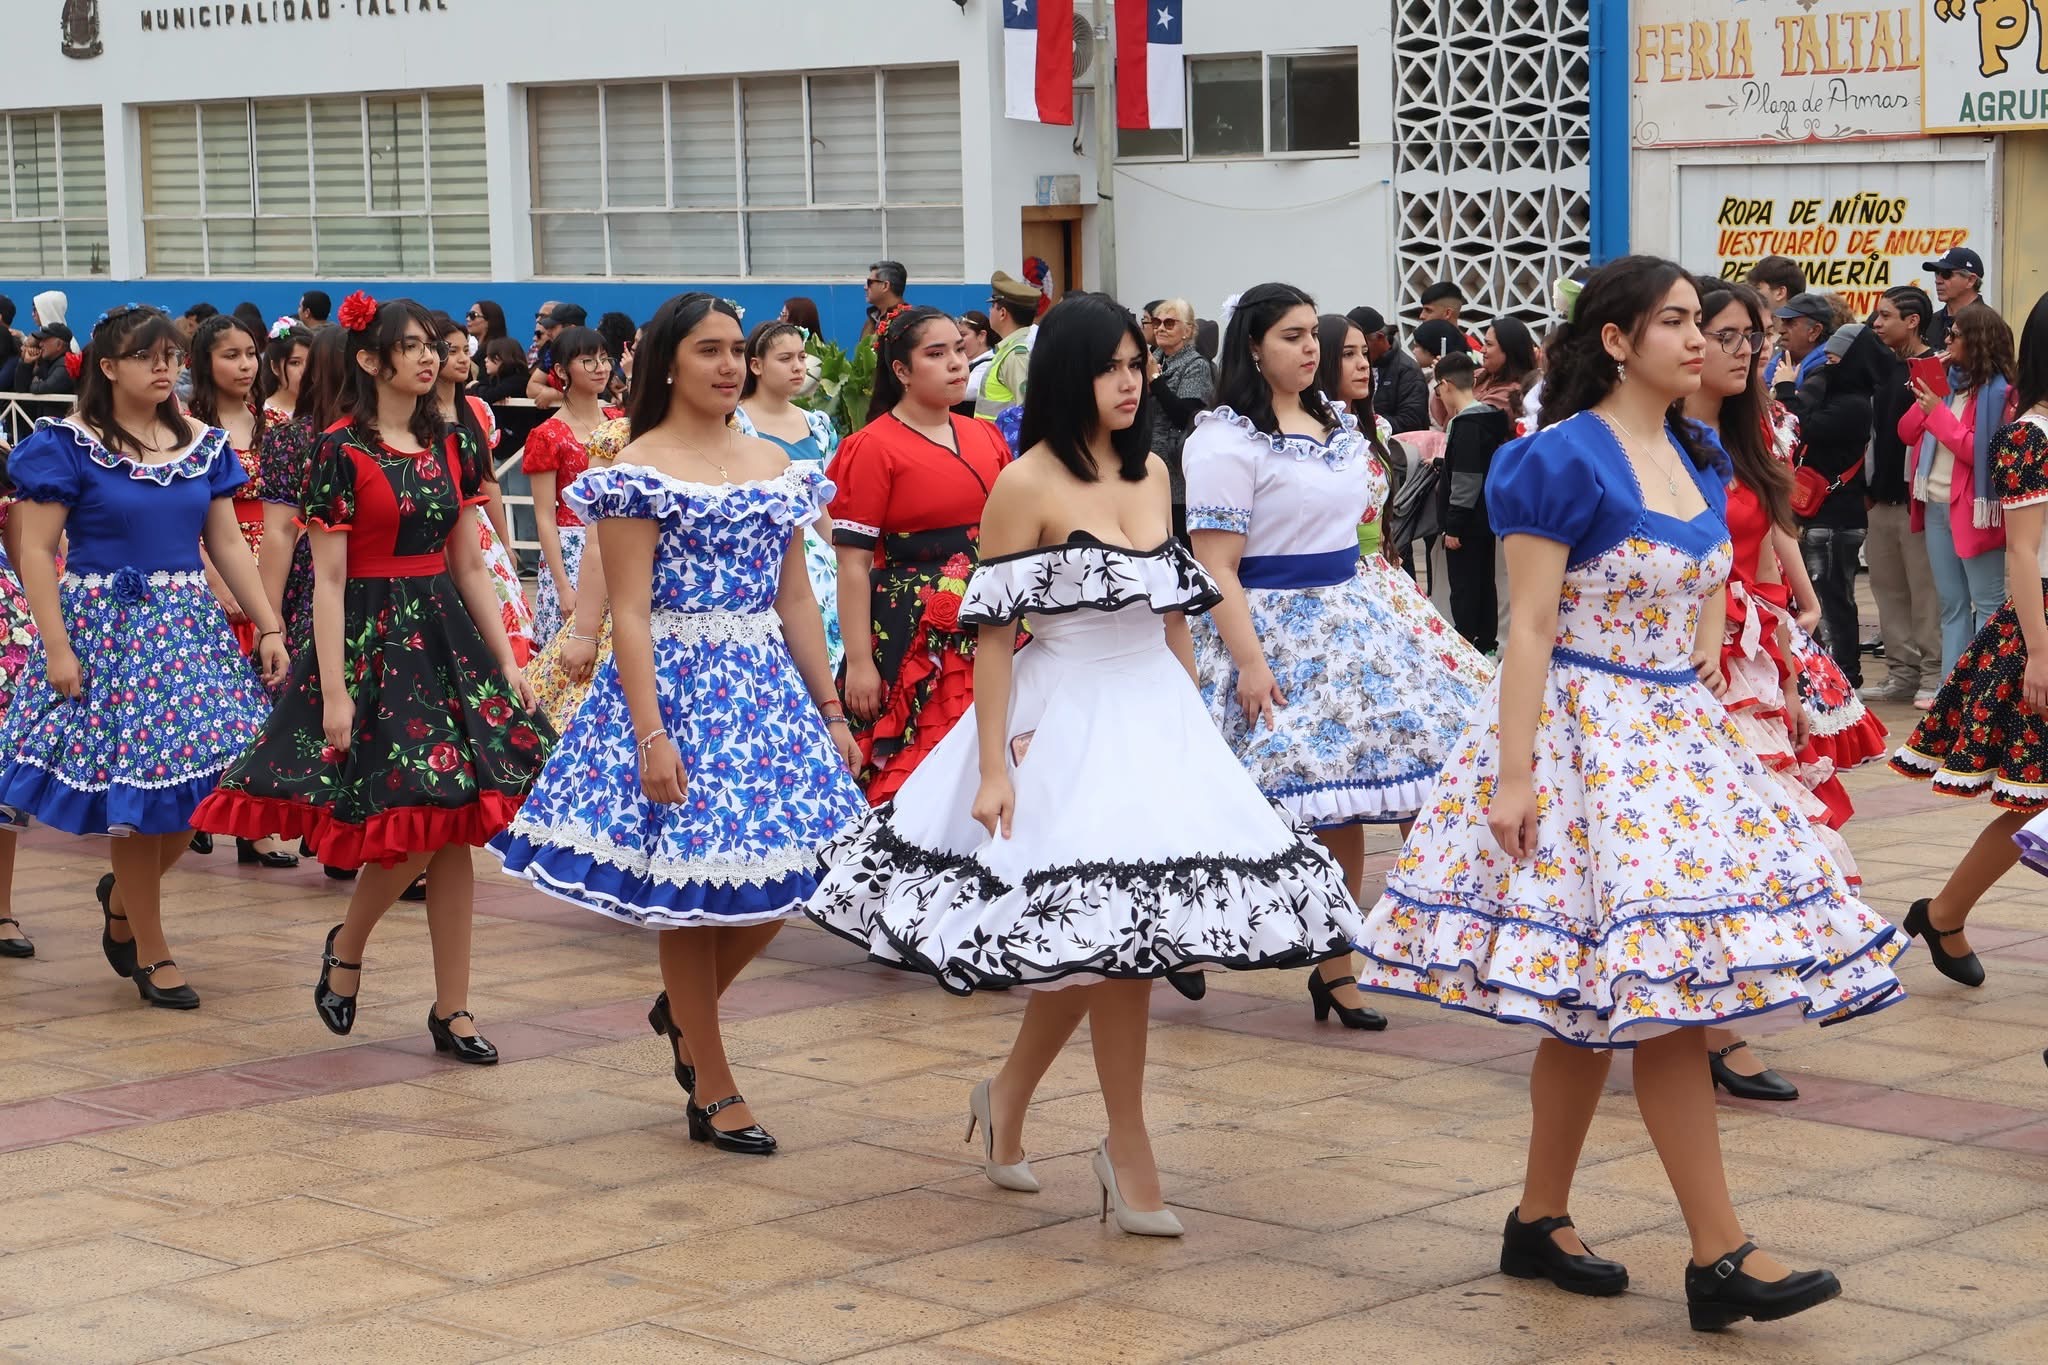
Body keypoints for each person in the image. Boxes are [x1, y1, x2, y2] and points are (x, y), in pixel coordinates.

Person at [1354, 256, 1901, 1331]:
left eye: (1702, 322)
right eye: (1676, 323)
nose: (1701, 341)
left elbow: (1707, 572)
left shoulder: (1695, 449)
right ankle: (1717, 1254)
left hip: (1670, 742)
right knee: (1661, 1001)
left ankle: (1536, 1217)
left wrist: (1698, 644)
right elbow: (1522, 627)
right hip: (1579, 744)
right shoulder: (1553, 460)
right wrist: (1512, 777)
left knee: (1605, 1003)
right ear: (1615, 340)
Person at [808, 292, 1364, 1226]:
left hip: (1154, 711)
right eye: (1109, 366)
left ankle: (1011, 1102)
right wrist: (992, 765)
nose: (1128, 381)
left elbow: (1174, 609)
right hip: (1062, 708)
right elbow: (992, 636)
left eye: (1135, 366)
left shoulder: (1154, 473)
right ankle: (1126, 1142)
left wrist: (1194, 721)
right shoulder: (1023, 484)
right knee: (1104, 941)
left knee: (1107, 944)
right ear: (1070, 374)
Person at [494, 292, 865, 1153]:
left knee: (805, 868)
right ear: (667, 362)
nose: (730, 364)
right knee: (691, 893)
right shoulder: (636, 467)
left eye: (737, 349)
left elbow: (796, 595)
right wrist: (651, 734)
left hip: (764, 691)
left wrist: (829, 706)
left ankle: (683, 1014)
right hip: (674, 691)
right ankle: (714, 1082)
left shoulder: (776, 460)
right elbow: (627, 611)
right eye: (709, 350)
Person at [193, 293, 550, 1061]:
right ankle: (348, 944)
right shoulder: (338, 450)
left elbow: (468, 563)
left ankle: (452, 1008)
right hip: (371, 642)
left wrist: (511, 661)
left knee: (454, 827)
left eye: (437, 344)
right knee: (416, 821)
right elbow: (327, 580)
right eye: (414, 345)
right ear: (368, 358)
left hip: (446, 640)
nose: (431, 357)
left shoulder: (452, 445)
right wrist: (334, 689)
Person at [1185, 282, 1492, 1030]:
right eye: (1291, 336)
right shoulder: (1224, 440)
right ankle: (1182, 935)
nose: (1309, 347)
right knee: (1234, 806)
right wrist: (1251, 661)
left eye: (1310, 334)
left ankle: (1337, 967)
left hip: (1349, 617)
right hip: (1267, 625)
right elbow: (1217, 565)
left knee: (1346, 801)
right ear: (1252, 347)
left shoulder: (1338, 425)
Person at [0, 305, 289, 1009]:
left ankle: (126, 904)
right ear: (108, 367)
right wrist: (56, 645)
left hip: (190, 636)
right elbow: (34, 549)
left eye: (170, 357)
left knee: (212, 784)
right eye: (146, 357)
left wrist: (270, 624)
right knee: (140, 794)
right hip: (107, 638)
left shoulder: (201, 444)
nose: (165, 369)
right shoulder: (66, 446)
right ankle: (152, 951)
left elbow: (223, 542)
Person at [1686, 277, 1878, 1102]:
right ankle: (1707, 1025)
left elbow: (1768, 534)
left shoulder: (1749, 429)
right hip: (1668, 661)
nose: (1741, 350)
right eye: (1722, 335)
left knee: (1758, 832)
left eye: (1750, 338)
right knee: (1698, 837)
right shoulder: (1639, 441)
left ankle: (1713, 1016)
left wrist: (1792, 638)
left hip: (1746, 656)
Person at [1894, 290, 2048, 984]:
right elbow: (2021, 554)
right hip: (2040, 623)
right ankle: (1946, 911)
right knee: (2034, 799)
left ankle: (1946, 911)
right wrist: (2039, 652)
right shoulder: (2030, 436)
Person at [830, 306, 1011, 803]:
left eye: (959, 349)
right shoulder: (869, 448)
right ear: (901, 371)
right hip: (912, 630)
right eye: (937, 354)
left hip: (994, 617)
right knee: (924, 764)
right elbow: (853, 564)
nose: (957, 363)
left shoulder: (985, 434)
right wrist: (862, 663)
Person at [1901, 302, 2016, 682]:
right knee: (1951, 605)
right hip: (1935, 503)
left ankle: (1986, 689)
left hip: (1975, 507)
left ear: (1976, 340)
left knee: (1987, 603)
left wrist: (1937, 412)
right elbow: (1906, 431)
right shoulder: (1948, 384)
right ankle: (1951, 690)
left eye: (1953, 335)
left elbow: (1979, 453)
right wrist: (1928, 387)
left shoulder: (2001, 394)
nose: (1945, 341)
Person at [1776, 302, 1880, 686]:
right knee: (1822, 592)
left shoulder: (1854, 403)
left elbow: (1799, 426)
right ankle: (1833, 674)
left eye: (1836, 360)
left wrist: (1788, 390)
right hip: (1821, 512)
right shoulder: (1837, 394)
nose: (1827, 367)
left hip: (1839, 516)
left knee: (1833, 597)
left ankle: (1845, 677)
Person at [431, 312, 533, 669]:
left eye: (465, 350)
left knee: (501, 622)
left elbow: (488, 479)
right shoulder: (415, 413)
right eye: (451, 350)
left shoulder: (476, 408)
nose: (462, 359)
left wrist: (504, 542)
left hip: (478, 530)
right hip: (434, 526)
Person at [738, 319, 842, 667]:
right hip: (759, 551)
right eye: (785, 359)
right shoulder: (735, 423)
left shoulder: (818, 425)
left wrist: (845, 556)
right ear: (756, 365)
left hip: (821, 556)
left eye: (801, 356)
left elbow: (827, 505)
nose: (799, 367)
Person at [1864, 285, 1946, 705]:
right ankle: (1901, 673)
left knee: (1925, 593)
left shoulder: (1934, 367)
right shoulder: (1886, 368)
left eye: (1885, 316)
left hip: (1919, 503)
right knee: (1887, 590)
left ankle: (1934, 674)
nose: (1876, 324)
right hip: (1881, 502)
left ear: (1912, 321)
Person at [522, 326, 622, 644]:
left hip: (621, 543)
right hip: (571, 550)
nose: (601, 367)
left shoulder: (619, 421)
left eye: (604, 358)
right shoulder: (548, 434)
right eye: (588, 360)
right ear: (561, 371)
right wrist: (563, 585)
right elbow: (544, 516)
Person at [1434, 351, 1513, 653]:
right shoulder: (1489, 420)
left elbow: (1466, 479)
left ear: (1445, 384)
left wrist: (1454, 525)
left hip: (1465, 524)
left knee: (1465, 588)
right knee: (1484, 583)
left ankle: (1467, 644)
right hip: (1484, 519)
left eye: (1438, 389)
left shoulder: (1466, 426)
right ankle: (1487, 644)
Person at [0, 450, 39, 959]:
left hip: (6, 628)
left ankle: (2, 906)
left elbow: (26, 548)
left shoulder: (8, 461)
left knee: (3, 775)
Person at [1148, 298, 1213, 540]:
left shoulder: (1196, 365)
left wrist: (1154, 379)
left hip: (1175, 472)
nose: (1160, 328)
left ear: (1188, 330)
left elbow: (1183, 416)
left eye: (1169, 322)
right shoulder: (1150, 359)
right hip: (1146, 465)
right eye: (1156, 322)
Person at [1351, 306, 1430, 434]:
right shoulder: (1353, 365)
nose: (1359, 354)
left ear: (1380, 337)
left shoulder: (1407, 370)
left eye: (1363, 346)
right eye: (1350, 350)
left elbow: (1412, 421)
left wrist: (1366, 424)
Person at [975, 273, 1039, 422]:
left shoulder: (1017, 355)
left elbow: (1027, 409)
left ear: (1002, 313)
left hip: (1004, 443)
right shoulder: (1008, 349)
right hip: (994, 441)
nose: (989, 311)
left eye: (992, 306)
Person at [1925, 246, 1987, 352]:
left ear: (1970, 280)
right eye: (1936, 273)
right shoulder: (1929, 323)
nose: (1938, 281)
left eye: (1946, 274)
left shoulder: (1989, 325)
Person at [525, 302, 586, 410]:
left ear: (571, 328)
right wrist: (552, 392)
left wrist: (556, 395)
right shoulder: (552, 352)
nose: (548, 333)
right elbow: (531, 388)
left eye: (552, 327)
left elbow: (590, 391)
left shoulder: (592, 351)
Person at [1478, 316, 1539, 419]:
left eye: (1489, 344)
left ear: (1508, 350)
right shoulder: (1479, 375)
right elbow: (1444, 419)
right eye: (1484, 343)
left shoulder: (1512, 395)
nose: (1482, 350)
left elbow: (1465, 422)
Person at [260, 320, 314, 417]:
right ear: (275, 367)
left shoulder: (323, 410)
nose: (305, 370)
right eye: (295, 363)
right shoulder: (260, 414)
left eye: (311, 362)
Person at [472, 337, 530, 404]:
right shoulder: (497, 379)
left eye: (489, 356)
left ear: (503, 357)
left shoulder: (519, 380)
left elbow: (488, 396)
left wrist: (474, 386)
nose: (485, 360)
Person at [862, 260, 908, 341]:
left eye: (869, 282)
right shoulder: (872, 319)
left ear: (885, 286)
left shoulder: (906, 323)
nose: (865, 287)